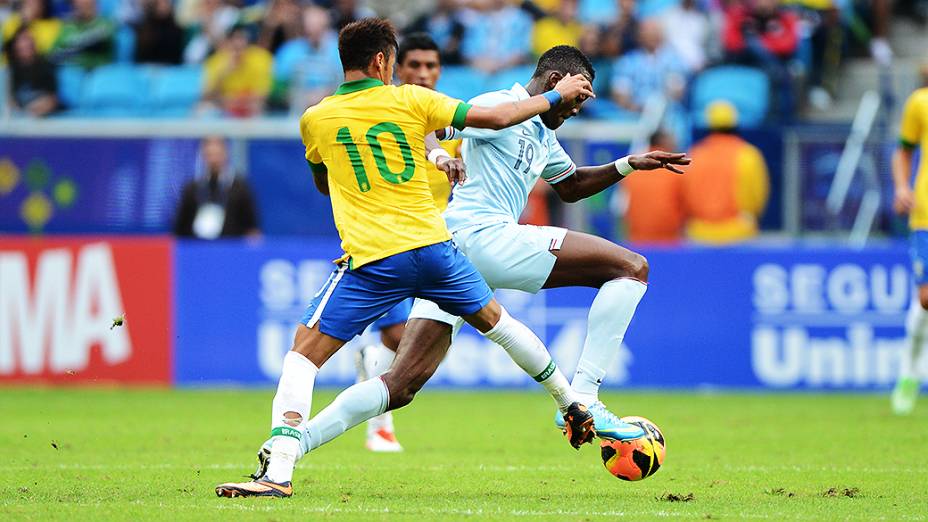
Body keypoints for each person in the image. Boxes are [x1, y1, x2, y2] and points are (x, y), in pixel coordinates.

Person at [245, 44, 689, 486]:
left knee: (401, 384)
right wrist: (440, 156)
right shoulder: (498, 105)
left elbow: (570, 186)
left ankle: (292, 446)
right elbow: (426, 128)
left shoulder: (541, 133)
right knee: (631, 268)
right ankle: (585, 397)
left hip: (453, 255)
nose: (577, 110)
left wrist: (628, 164)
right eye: (580, 98)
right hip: (481, 236)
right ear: (557, 84)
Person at [215, 18, 598, 498]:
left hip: (373, 258)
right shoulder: (412, 99)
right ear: (382, 61)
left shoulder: (315, 117)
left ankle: (279, 469)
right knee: (499, 324)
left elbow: (321, 179)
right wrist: (556, 97)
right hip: (436, 248)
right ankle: (570, 401)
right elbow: (498, 118)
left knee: (302, 356)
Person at [354, 32, 459, 453]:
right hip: (389, 239)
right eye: (414, 65)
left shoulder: (452, 117)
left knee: (430, 343)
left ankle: (370, 365)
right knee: (400, 336)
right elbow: (424, 138)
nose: (423, 73)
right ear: (397, 69)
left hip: (438, 240)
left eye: (431, 66)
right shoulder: (385, 112)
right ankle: (380, 425)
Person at [891, 67, 928, 415]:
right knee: (926, 298)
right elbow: (902, 151)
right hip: (925, 214)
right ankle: (909, 372)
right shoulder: (920, 103)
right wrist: (902, 186)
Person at [681, 100, 769, 244]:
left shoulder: (695, 154)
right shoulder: (748, 154)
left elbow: (685, 193)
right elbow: (757, 195)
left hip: (700, 232)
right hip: (739, 232)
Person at [173, 136, 260, 239]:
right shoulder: (192, 188)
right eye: (210, 155)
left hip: (230, 248)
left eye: (217, 154)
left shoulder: (240, 188)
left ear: (225, 154)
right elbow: (180, 228)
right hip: (198, 249)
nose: (214, 160)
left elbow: (252, 229)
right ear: (203, 155)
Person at [620, 129, 685, 243]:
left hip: (637, 238)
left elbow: (623, 206)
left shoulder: (633, 170)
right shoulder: (675, 170)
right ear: (664, 143)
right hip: (669, 239)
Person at [272, 4, 341, 111]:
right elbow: (277, 87)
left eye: (318, 28)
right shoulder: (289, 51)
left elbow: (348, 83)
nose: (314, 32)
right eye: (310, 28)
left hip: (332, 110)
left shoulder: (340, 51)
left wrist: (327, 95)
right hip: (294, 111)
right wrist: (297, 96)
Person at [610, 18, 685, 113]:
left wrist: (657, 110)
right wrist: (636, 109)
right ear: (639, 36)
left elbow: (676, 91)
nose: (652, 36)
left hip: (667, 113)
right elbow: (620, 94)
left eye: (654, 32)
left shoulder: (673, 60)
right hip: (635, 113)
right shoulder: (627, 62)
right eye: (647, 32)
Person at [201, 25, 273, 117]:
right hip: (223, 107)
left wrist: (237, 101)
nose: (238, 44)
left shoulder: (262, 59)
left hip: (250, 106)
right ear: (227, 42)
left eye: (242, 39)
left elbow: (263, 94)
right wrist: (223, 74)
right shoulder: (215, 62)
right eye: (234, 40)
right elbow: (207, 96)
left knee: (257, 107)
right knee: (204, 110)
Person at [5, 27, 58, 117]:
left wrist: (37, 107)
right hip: (18, 116)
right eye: (23, 40)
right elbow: (9, 100)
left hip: (42, 115)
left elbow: (52, 99)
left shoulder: (46, 65)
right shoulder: (9, 70)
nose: (28, 44)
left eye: (30, 39)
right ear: (15, 45)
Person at [50, 0, 114, 69]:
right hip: (74, 71)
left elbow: (104, 33)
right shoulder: (68, 27)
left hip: (102, 71)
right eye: (78, 3)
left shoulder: (106, 22)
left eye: (87, 4)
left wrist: (73, 43)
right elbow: (54, 54)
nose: (83, 6)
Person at [404, 0, 466, 65]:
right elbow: (409, 35)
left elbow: (452, 47)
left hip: (449, 65)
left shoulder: (457, 26)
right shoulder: (423, 21)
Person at [133, 0, 184, 65]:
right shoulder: (144, 29)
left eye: (165, 3)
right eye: (159, 4)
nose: (163, 7)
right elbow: (140, 58)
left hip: (170, 68)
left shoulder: (177, 30)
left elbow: (177, 58)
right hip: (147, 68)